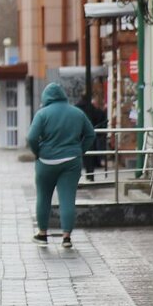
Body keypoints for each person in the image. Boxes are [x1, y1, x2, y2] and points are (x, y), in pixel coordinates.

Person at [28, 83, 96, 248]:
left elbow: (31, 137)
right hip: (71, 161)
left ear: (46, 98)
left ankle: (42, 234)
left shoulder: (42, 114)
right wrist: (80, 151)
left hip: (46, 161)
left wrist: (38, 152)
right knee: (67, 199)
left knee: (43, 197)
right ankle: (66, 237)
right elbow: (90, 134)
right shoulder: (77, 113)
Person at [76, 94, 108, 181]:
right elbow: (99, 116)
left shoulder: (76, 108)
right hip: (89, 133)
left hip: (78, 134)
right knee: (90, 152)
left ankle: (87, 173)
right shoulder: (90, 108)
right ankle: (90, 173)